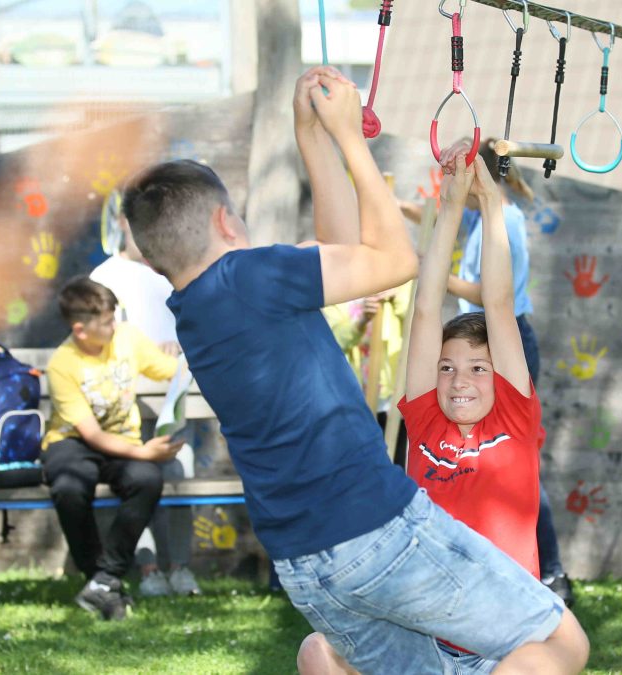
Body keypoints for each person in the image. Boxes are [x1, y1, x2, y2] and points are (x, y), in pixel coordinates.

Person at [123, 66, 588, 673]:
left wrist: (308, 136)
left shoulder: (198, 312)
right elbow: (393, 260)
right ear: (224, 222)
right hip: (376, 528)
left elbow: (344, 248)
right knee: (562, 643)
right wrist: (348, 138)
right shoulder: (251, 276)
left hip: (307, 566)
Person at [400, 138, 574, 605]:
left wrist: (492, 203)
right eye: (447, 368)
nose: (459, 380)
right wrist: (450, 204)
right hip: (435, 613)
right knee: (318, 652)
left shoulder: (512, 419)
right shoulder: (425, 422)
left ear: (499, 377)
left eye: (478, 368)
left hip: (505, 616)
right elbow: (425, 310)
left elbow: (499, 305)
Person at [42, 276, 181, 620]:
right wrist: (146, 452)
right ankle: (101, 582)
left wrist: (182, 353)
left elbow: (170, 370)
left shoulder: (127, 338)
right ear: (80, 329)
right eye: (106, 321)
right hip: (72, 443)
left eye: (113, 316)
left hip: (123, 441)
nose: (114, 325)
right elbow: (91, 435)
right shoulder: (62, 363)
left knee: (147, 480)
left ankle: (105, 580)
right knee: (69, 487)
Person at [90, 203, 200, 597]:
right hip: (127, 408)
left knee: (180, 479)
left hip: (174, 399)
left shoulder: (174, 272)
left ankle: (181, 567)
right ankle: (148, 568)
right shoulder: (104, 276)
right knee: (139, 485)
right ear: (122, 223)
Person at [322, 282, 410, 463]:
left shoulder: (399, 278)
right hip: (352, 394)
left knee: (394, 460)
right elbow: (335, 340)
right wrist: (361, 320)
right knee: (357, 463)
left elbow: (416, 320)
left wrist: (397, 297)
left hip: (391, 394)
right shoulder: (335, 287)